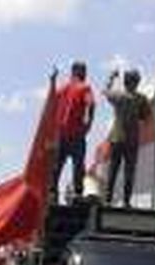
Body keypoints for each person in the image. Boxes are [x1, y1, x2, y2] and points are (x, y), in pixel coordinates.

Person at [103, 69, 151, 207]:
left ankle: (107, 200)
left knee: (113, 169)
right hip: (132, 140)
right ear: (137, 82)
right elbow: (146, 117)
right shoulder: (141, 99)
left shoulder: (118, 96)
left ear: (125, 81)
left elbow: (105, 90)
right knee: (129, 171)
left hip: (117, 138)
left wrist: (111, 77)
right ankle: (126, 201)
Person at [52, 61, 96, 204]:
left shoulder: (63, 88)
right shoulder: (85, 87)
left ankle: (52, 194)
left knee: (57, 166)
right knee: (78, 165)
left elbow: (51, 104)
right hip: (77, 134)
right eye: (84, 70)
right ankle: (78, 194)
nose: (85, 74)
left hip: (61, 134)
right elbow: (91, 103)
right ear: (78, 71)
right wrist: (89, 124)